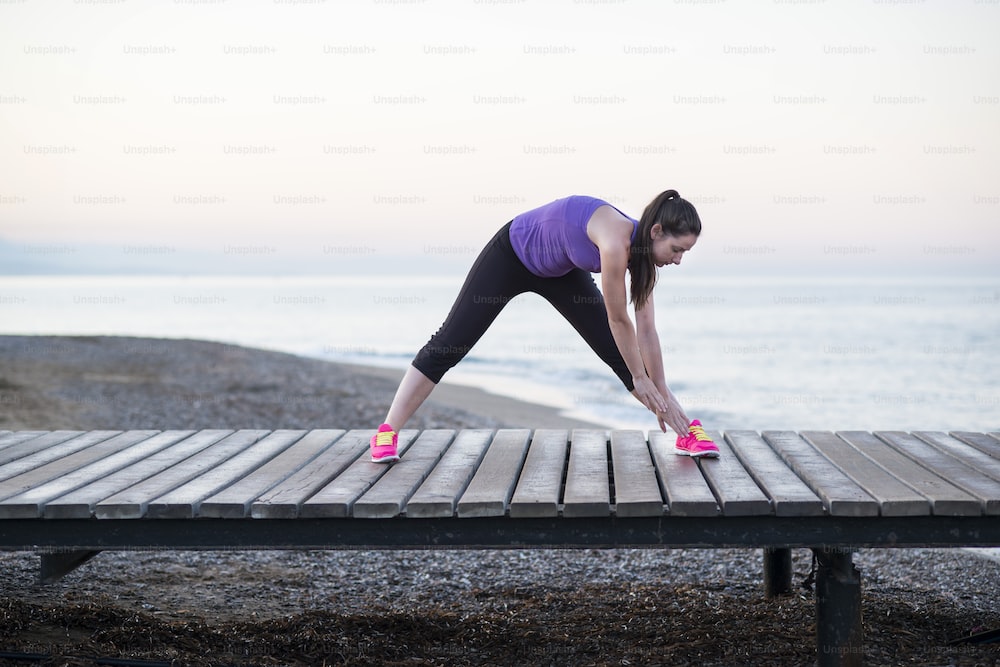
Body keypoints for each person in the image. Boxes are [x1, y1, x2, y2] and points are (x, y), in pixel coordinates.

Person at [369, 189, 719, 462]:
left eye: (684, 252)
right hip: (512, 254)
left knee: (623, 359)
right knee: (449, 343)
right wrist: (641, 379)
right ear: (656, 231)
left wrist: (655, 384)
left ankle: (685, 431)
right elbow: (618, 319)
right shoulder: (615, 243)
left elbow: (646, 331)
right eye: (676, 249)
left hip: (562, 272)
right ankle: (387, 432)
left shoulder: (645, 260)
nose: (678, 259)